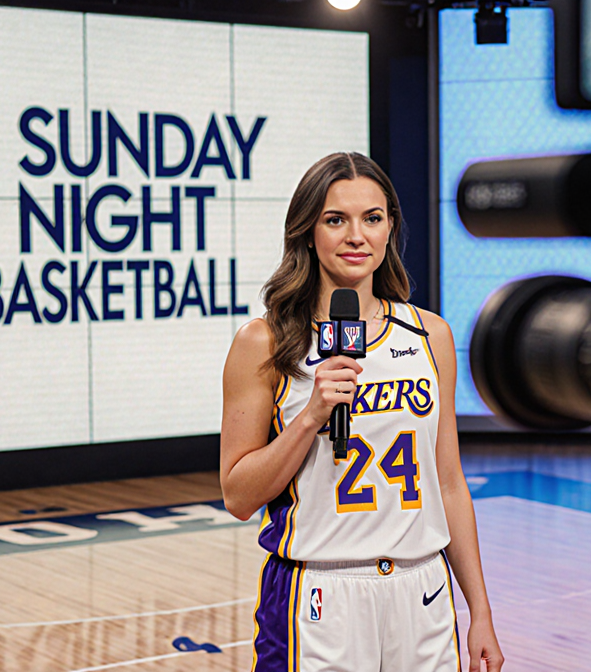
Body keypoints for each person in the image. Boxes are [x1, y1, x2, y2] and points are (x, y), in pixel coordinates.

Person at [221, 152, 504, 672]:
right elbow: (238, 495)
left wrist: (480, 610)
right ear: (307, 231)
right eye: (336, 220)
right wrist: (309, 417)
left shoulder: (429, 334)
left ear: (390, 226)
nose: (357, 236)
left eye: (372, 218)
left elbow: (448, 484)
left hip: (423, 589)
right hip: (320, 592)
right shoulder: (263, 342)